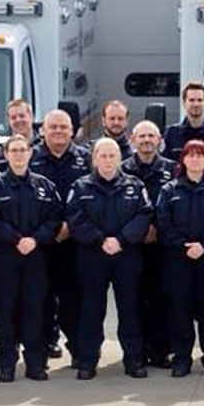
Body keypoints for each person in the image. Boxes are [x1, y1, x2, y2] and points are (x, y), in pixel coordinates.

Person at [66, 138, 154, 380]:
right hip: (92, 256)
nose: (107, 160)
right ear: (94, 159)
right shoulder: (80, 187)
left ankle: (134, 360)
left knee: (130, 309)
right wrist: (100, 240)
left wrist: (122, 240)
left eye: (112, 155)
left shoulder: (135, 185)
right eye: (102, 156)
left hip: (126, 256)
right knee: (91, 310)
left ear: (119, 158)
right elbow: (75, 219)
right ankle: (88, 361)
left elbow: (144, 215)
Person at [0, 133, 64, 382]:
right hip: (4, 259)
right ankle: (7, 364)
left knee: (34, 311)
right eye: (13, 150)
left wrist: (35, 239)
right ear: (6, 155)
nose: (18, 154)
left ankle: (35, 363)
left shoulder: (44, 186)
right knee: (5, 312)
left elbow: (55, 217)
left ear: (31, 153)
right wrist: (15, 239)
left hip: (36, 259)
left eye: (22, 150)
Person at [157, 140, 204, 378]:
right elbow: (163, 224)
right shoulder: (170, 190)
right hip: (178, 260)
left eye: (200, 155)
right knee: (180, 310)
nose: (195, 159)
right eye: (191, 155)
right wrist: (184, 245)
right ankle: (182, 359)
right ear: (183, 160)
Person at [30, 109, 91, 363]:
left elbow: (91, 198)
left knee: (73, 300)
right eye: (52, 127)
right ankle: (42, 349)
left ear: (72, 131)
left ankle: (78, 349)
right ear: (42, 130)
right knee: (40, 298)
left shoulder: (86, 159)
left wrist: (70, 226)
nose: (58, 132)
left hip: (73, 242)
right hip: (41, 242)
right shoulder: (30, 159)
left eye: (63, 127)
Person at [122, 120, 178, 369]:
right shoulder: (123, 169)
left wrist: (157, 228)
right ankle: (135, 351)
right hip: (131, 245)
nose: (146, 140)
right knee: (132, 300)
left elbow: (177, 205)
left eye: (151, 136)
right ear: (132, 140)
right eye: (141, 135)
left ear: (159, 140)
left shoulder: (173, 169)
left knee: (162, 299)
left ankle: (160, 351)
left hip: (162, 245)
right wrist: (138, 231)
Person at [163, 82, 204, 161]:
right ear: (184, 102)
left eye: (200, 100)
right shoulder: (172, 134)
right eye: (191, 100)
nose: (196, 104)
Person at [0, 98, 41, 166]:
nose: (18, 120)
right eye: (13, 118)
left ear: (31, 116)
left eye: (22, 116)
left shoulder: (45, 148)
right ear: (9, 121)